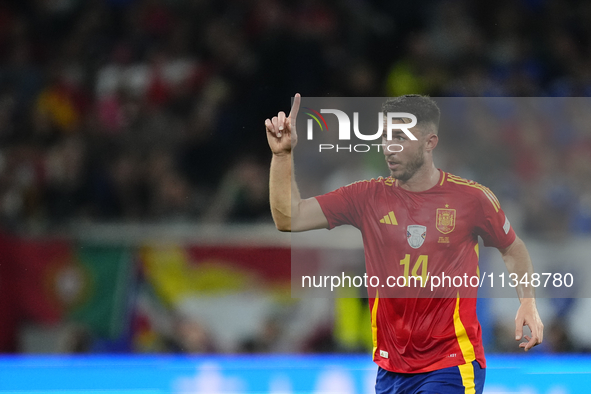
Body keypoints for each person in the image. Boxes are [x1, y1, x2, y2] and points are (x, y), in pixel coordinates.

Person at [265, 94, 544, 394]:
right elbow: (289, 218)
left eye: (400, 137)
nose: (389, 147)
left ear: (429, 142)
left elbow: (512, 248)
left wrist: (527, 301)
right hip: (390, 370)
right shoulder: (365, 197)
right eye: (385, 137)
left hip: (451, 364)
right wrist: (282, 156)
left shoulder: (472, 199)